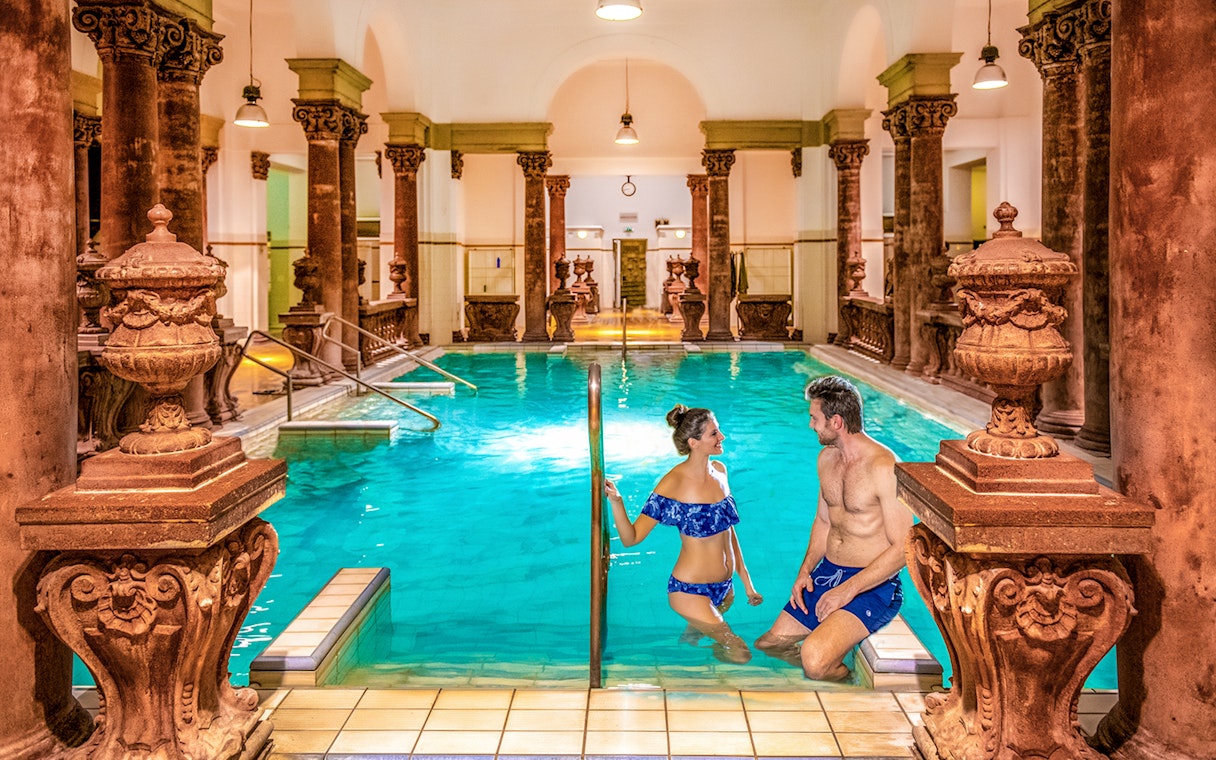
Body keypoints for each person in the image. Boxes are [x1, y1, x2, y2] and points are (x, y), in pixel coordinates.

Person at [755, 375, 911, 680]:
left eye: (815, 418)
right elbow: (824, 522)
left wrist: (846, 592)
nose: (811, 425)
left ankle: (848, 681)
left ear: (836, 421)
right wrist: (805, 571)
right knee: (769, 644)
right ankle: (830, 651)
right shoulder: (826, 459)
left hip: (872, 586)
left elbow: (905, 548)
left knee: (814, 661)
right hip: (829, 572)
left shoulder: (884, 467)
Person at [604, 404, 763, 663]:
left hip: (725, 590)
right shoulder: (673, 482)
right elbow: (631, 538)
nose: (721, 437)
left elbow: (730, 533)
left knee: (699, 636)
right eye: (714, 434)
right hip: (689, 590)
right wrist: (617, 502)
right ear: (694, 442)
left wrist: (748, 585)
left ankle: (688, 643)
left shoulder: (720, 472)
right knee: (741, 653)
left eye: (718, 431)